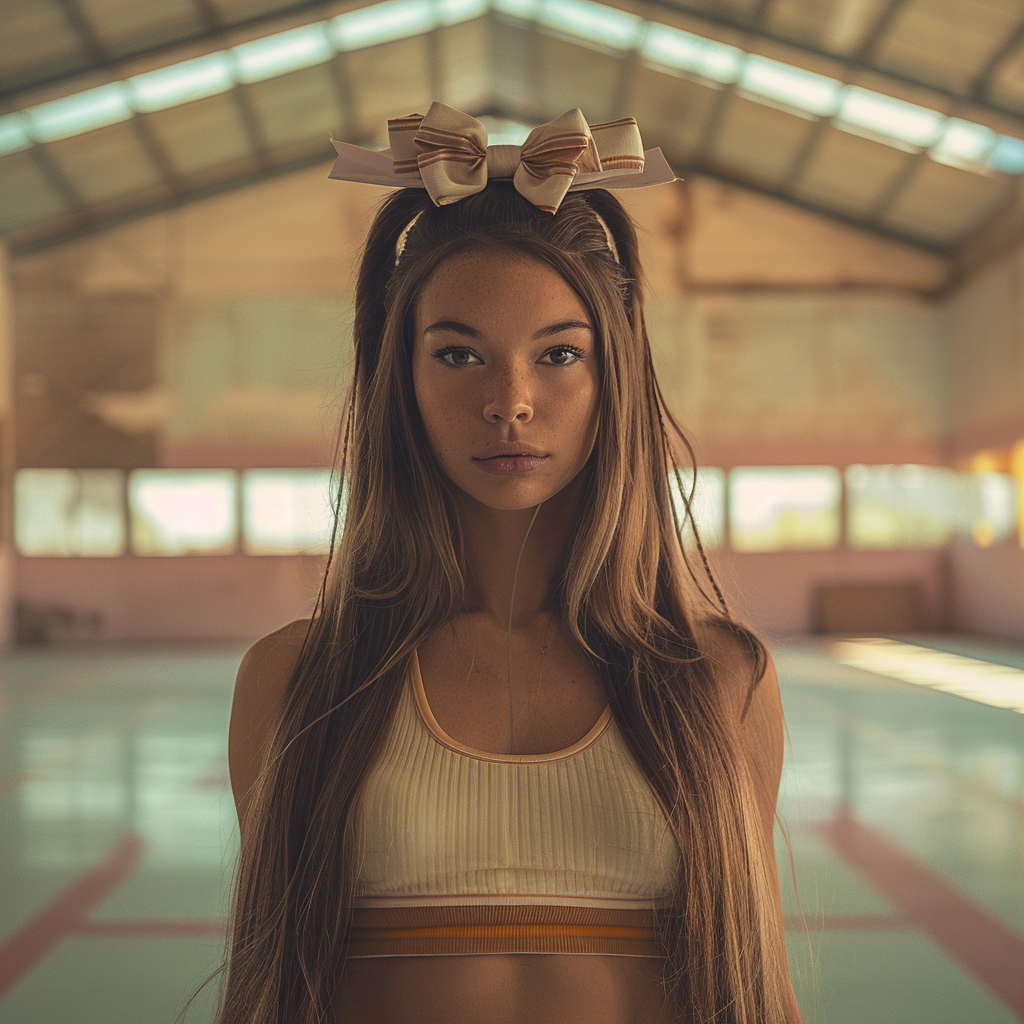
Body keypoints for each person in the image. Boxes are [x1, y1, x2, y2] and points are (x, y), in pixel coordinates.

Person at [213, 104, 803, 1024]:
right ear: (400, 380)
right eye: (458, 354)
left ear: (613, 379)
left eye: (559, 354)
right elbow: (269, 996)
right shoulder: (297, 679)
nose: (510, 401)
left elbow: (759, 997)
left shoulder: (722, 679)